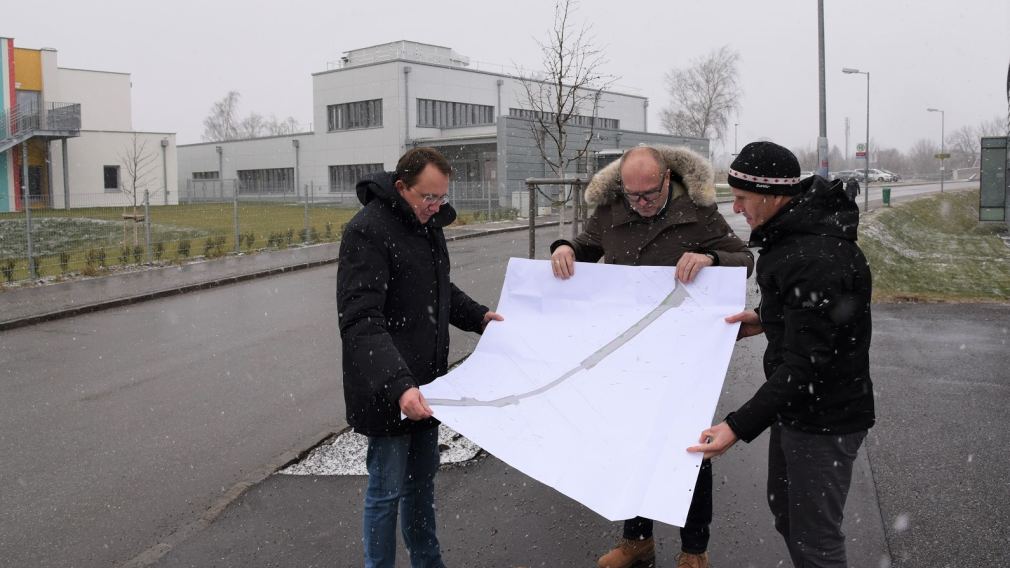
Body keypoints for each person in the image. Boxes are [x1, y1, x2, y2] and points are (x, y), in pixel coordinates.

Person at [551, 145, 754, 568]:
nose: (641, 204)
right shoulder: (610, 209)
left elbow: (743, 258)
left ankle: (693, 550)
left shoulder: (698, 211)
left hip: (683, 355)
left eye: (649, 195)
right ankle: (637, 541)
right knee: (631, 443)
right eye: (633, 196)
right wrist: (565, 248)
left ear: (666, 180)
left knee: (688, 450)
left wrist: (711, 257)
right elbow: (587, 246)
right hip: (629, 353)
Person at [689, 141, 875, 568]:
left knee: (815, 541)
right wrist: (763, 318)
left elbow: (807, 362)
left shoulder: (813, 255)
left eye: (741, 198)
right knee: (788, 517)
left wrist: (735, 427)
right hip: (800, 411)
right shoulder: (794, 235)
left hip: (826, 418)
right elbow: (810, 318)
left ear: (773, 196)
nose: (735, 207)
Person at [337, 147, 503, 568]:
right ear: (401, 187)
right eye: (428, 198)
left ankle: (429, 564)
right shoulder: (367, 232)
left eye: (442, 198)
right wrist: (398, 386)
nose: (436, 206)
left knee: (421, 487)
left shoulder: (427, 226)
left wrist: (480, 317)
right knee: (387, 492)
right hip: (387, 389)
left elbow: (439, 290)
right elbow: (360, 320)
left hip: (427, 386)